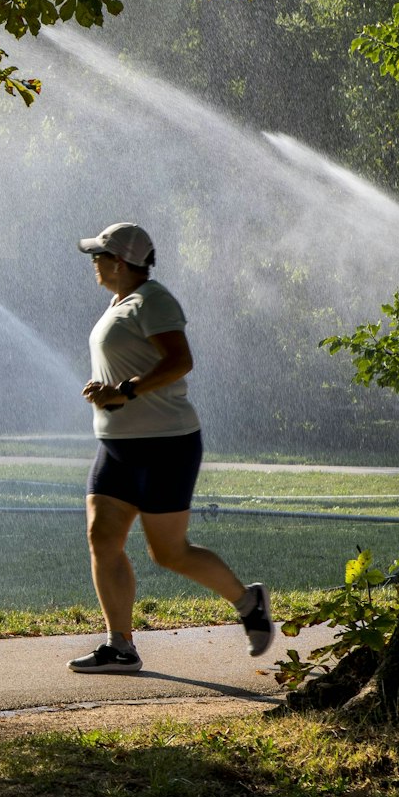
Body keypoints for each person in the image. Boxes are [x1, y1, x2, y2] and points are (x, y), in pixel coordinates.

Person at [69, 223, 271, 674]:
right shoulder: (119, 302)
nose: (93, 264)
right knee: (102, 536)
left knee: (169, 552)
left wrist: (125, 390)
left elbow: (180, 361)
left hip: (165, 444)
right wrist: (109, 392)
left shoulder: (153, 300)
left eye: (98, 256)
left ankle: (248, 601)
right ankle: (120, 645)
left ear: (119, 262)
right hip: (116, 444)